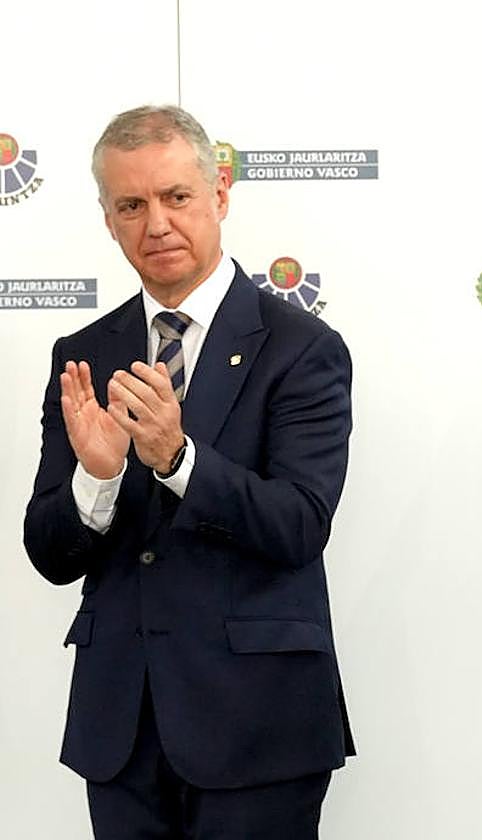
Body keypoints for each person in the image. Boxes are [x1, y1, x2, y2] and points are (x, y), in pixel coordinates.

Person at [23, 105, 354, 839]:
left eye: (176, 197)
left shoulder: (301, 347)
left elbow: (299, 525)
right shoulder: (82, 351)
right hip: (121, 729)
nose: (157, 224)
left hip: (258, 727)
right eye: (131, 205)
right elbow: (48, 551)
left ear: (220, 196)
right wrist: (97, 481)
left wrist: (178, 461)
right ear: (108, 219)